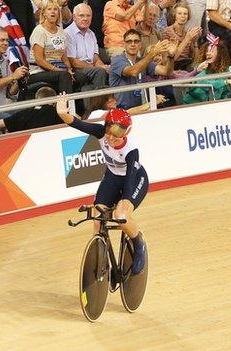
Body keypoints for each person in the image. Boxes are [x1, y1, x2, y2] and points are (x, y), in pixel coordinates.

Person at [56, 92, 148, 275]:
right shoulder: (100, 133)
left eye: (117, 137)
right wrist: (61, 112)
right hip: (113, 177)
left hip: (135, 179)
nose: (111, 140)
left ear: (126, 133)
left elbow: (129, 184)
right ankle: (100, 255)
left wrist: (123, 204)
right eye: (109, 135)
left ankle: (139, 245)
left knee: (121, 215)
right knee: (98, 216)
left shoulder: (131, 151)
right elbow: (76, 123)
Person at [109, 29, 174, 109]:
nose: (133, 44)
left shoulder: (142, 60)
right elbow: (133, 71)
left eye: (136, 41)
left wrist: (171, 56)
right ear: (124, 44)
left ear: (140, 45)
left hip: (141, 108)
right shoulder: (117, 60)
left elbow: (167, 72)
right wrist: (152, 54)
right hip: (122, 110)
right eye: (129, 41)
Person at [28, 0, 74, 95]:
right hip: (39, 71)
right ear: (44, 13)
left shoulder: (61, 32)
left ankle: (81, 108)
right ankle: (67, 108)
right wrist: (60, 70)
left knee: (82, 77)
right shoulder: (39, 31)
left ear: (58, 13)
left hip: (59, 70)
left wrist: (69, 69)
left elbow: (64, 58)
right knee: (64, 76)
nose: (53, 12)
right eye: (49, 9)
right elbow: (39, 60)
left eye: (55, 9)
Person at [64, 4, 109, 91]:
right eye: (81, 15)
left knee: (111, 69)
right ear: (74, 17)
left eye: (88, 16)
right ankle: (99, 103)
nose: (85, 18)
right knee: (100, 72)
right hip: (77, 69)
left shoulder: (91, 34)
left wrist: (104, 66)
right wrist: (96, 68)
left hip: (90, 67)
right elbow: (73, 62)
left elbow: (95, 58)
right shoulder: (68, 33)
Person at [161, 3, 202, 71]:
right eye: (179, 13)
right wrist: (186, 39)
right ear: (174, 16)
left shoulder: (187, 33)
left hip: (187, 64)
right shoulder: (167, 32)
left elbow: (196, 60)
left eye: (185, 14)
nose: (183, 16)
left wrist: (195, 42)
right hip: (173, 65)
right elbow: (168, 60)